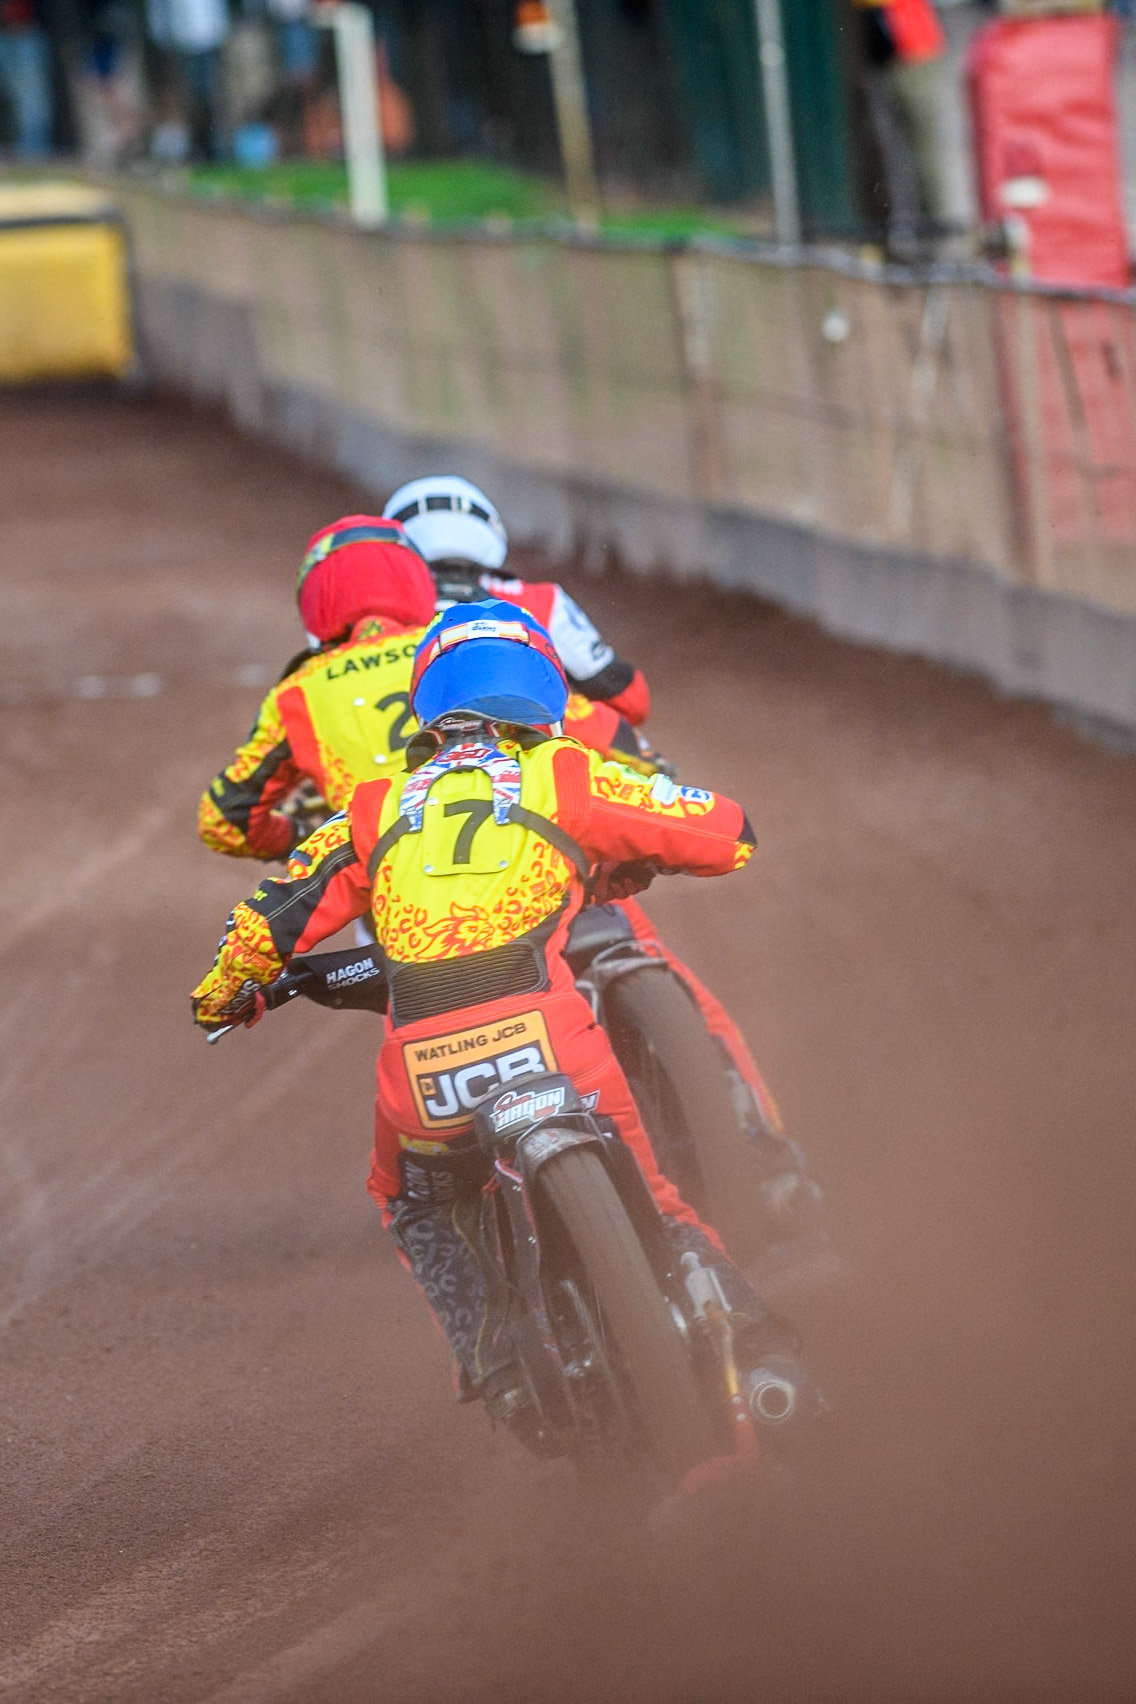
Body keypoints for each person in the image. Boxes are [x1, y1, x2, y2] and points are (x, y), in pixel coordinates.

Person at [191, 602, 796, 1440]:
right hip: (554, 1034)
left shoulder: (372, 808)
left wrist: (224, 995)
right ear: (544, 698)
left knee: (419, 1207)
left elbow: (266, 919)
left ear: (428, 709)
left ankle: (501, 1368)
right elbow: (730, 835)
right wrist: (628, 858)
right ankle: (765, 1360)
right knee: (657, 1203)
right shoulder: (567, 773)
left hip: (424, 1067)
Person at [197, 513, 647, 861]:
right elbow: (603, 730)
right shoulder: (460, 640)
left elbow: (225, 821)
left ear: (316, 601)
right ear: (414, 579)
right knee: (627, 941)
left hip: (393, 895)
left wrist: (301, 837)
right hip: (523, 859)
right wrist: (649, 768)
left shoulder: (298, 692)